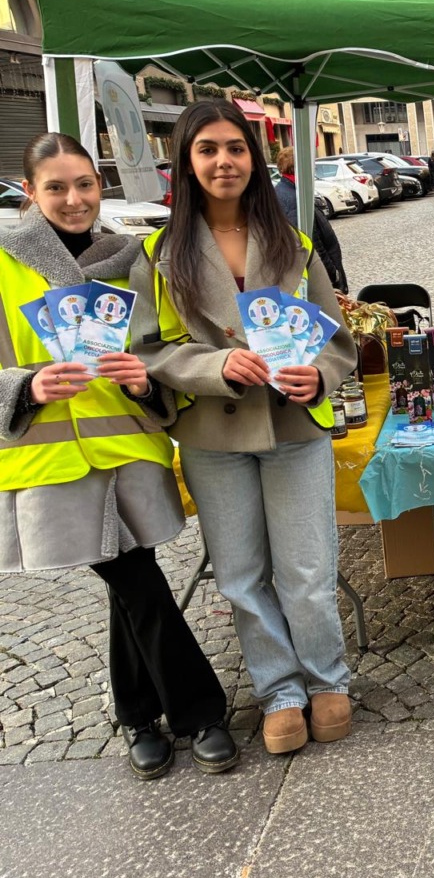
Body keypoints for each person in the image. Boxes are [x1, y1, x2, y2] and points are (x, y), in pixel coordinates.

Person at [0, 132, 237, 780]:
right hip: (51, 460)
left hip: (131, 449)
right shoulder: (2, 263)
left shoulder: (132, 259)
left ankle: (137, 718)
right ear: (30, 192)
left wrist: (144, 377)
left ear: (99, 186)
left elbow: (163, 351)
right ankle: (200, 711)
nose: (74, 199)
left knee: (131, 586)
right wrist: (26, 384)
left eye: (84, 185)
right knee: (137, 583)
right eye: (56, 187)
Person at [130, 100, 359, 756]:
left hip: (293, 427)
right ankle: (280, 691)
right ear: (187, 162)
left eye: (235, 148)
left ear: (253, 159)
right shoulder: (159, 254)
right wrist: (214, 365)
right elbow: (146, 351)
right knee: (240, 573)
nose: (223, 161)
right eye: (208, 150)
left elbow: (337, 342)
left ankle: (326, 679)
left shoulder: (297, 241)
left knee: (308, 567)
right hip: (213, 434)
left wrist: (319, 375)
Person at [273, 147, 348, 293]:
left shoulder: (293, 190)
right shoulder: (294, 198)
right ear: (297, 168)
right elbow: (310, 243)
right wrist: (332, 274)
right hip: (319, 277)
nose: (313, 170)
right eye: (310, 166)